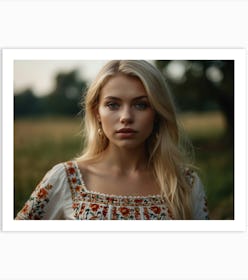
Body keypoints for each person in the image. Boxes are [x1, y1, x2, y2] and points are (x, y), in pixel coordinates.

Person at [15, 60, 209, 220]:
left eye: (141, 105)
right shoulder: (65, 179)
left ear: (157, 113)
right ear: (96, 112)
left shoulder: (185, 184)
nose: (126, 116)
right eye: (113, 105)